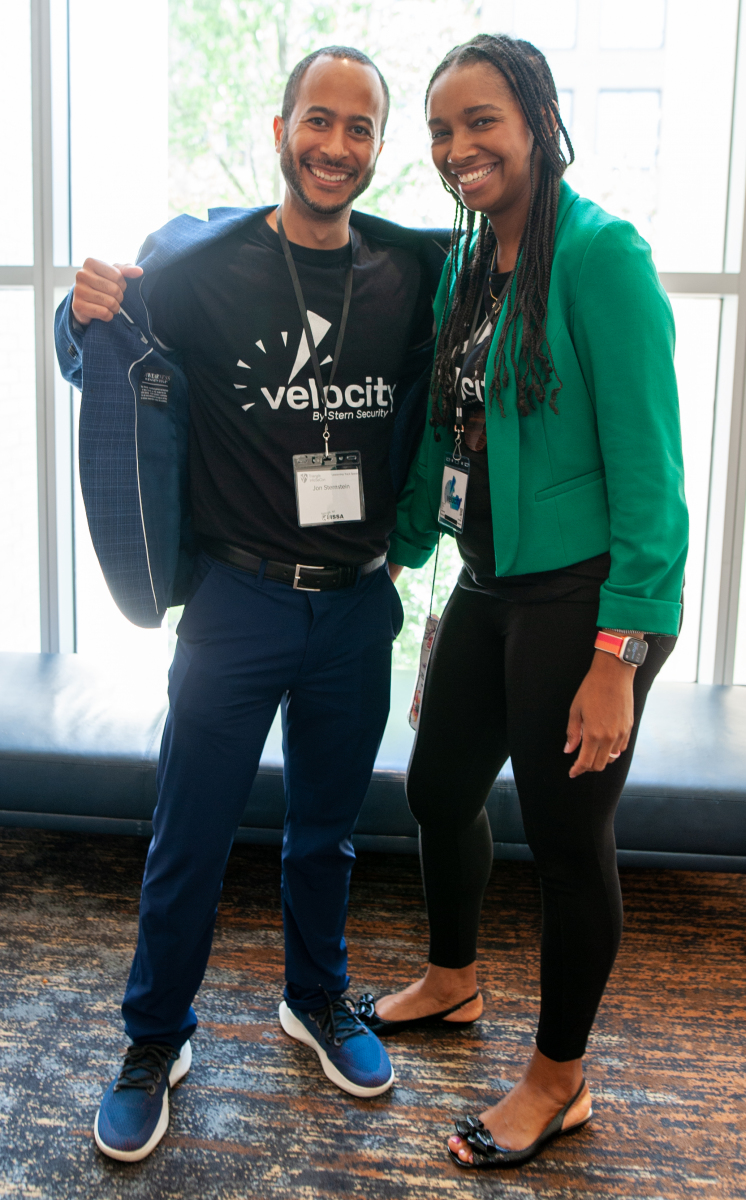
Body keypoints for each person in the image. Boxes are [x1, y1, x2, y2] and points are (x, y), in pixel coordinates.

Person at [55, 46, 447, 1162]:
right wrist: (74, 314)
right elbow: (97, 359)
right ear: (280, 131)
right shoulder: (203, 267)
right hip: (235, 601)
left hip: (356, 606)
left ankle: (314, 999)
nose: (335, 146)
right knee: (189, 834)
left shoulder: (409, 273)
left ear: (379, 148)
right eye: (317, 121)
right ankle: (153, 1039)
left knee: (327, 834)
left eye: (359, 128)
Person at [356, 33, 688, 1170]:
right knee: (438, 788)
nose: (459, 148)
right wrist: (399, 555)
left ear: (538, 122)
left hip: (587, 601)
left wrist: (618, 654)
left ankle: (558, 1081)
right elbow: (448, 441)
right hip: (491, 583)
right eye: (441, 131)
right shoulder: (469, 263)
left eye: (481, 121)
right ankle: (453, 979)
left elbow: (651, 476)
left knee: (565, 840)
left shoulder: (602, 257)